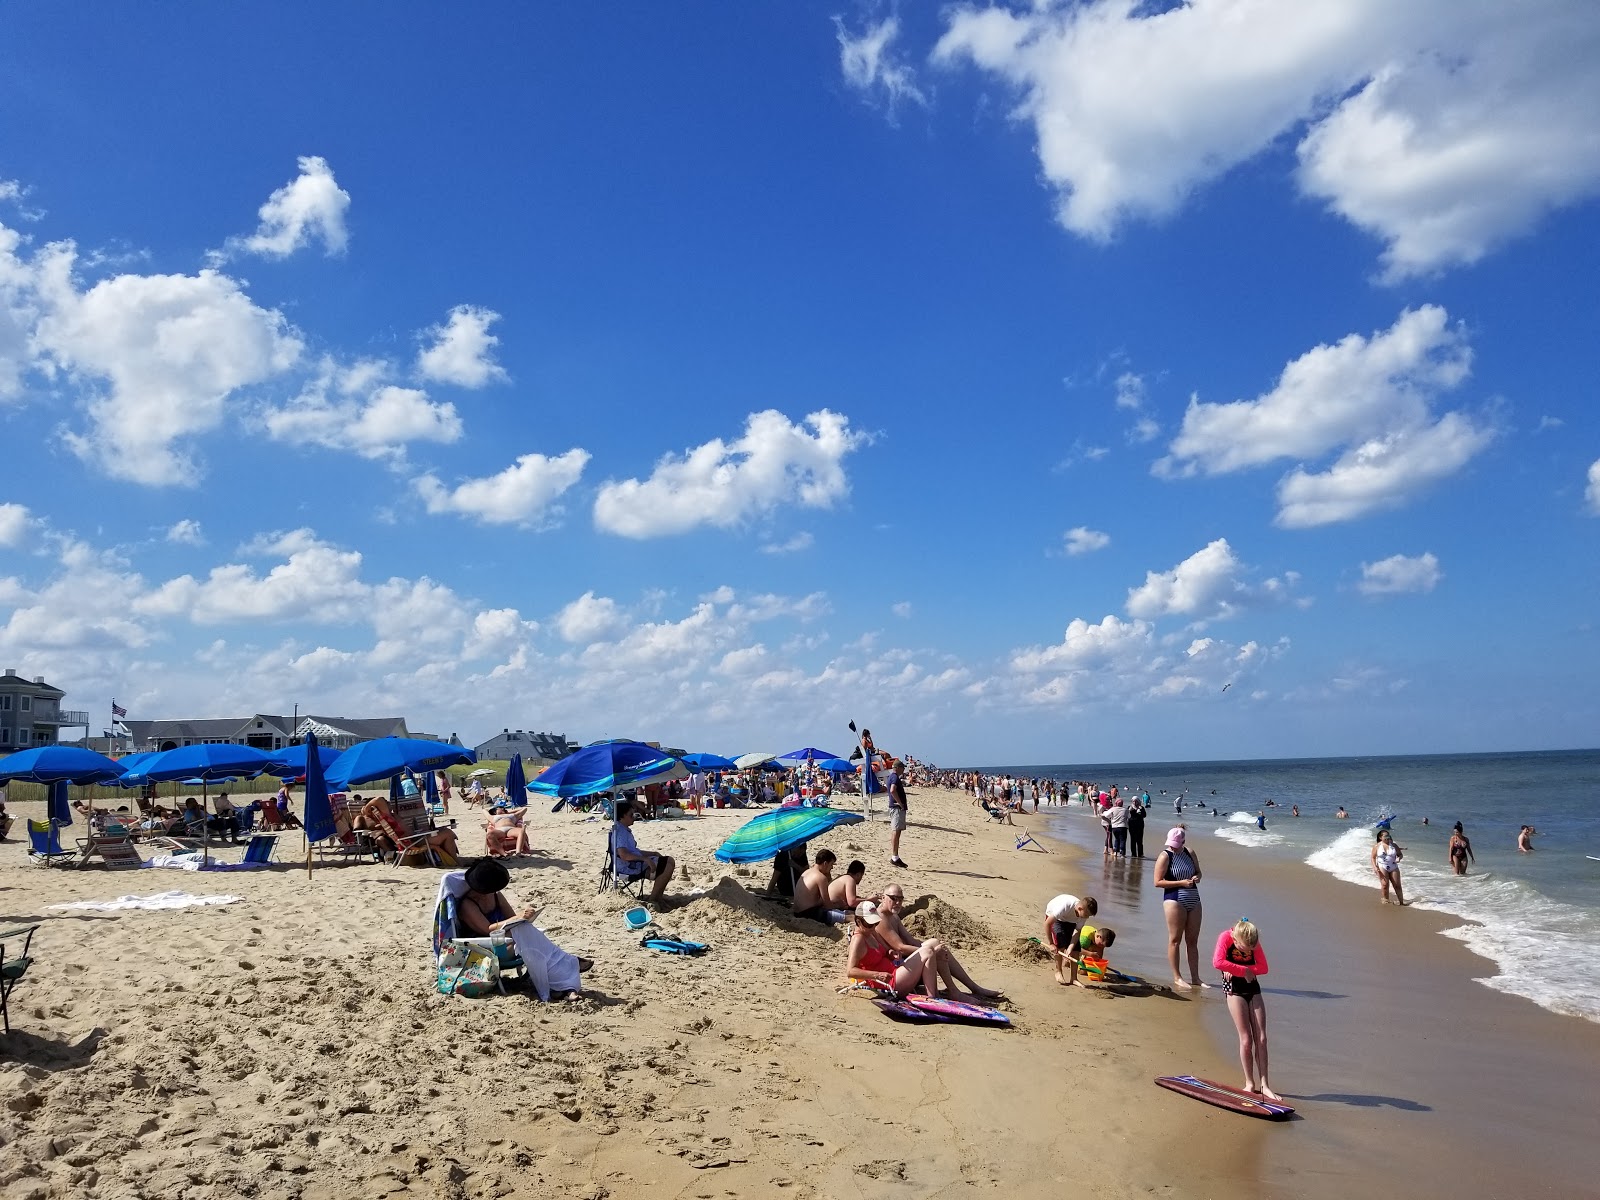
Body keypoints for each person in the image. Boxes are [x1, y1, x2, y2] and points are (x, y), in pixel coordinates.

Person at [455, 857, 590, 1001]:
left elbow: (513, 919)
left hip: (506, 940)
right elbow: (486, 929)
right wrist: (519, 917)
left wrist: (523, 917)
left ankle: (564, 986)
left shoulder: (495, 896)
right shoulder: (467, 905)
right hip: (484, 947)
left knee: (526, 932)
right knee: (531, 941)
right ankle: (567, 970)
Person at [876, 885, 1003, 1000]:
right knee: (934, 948)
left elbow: (911, 941)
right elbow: (901, 948)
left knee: (936, 944)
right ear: (883, 898)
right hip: (894, 969)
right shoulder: (881, 919)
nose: (898, 903)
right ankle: (955, 991)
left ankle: (970, 988)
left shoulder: (893, 916)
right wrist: (931, 951)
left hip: (901, 964)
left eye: (901, 899)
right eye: (893, 898)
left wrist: (934, 947)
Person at [1214, 919, 1277, 1099]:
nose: (1250, 950)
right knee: (1246, 1039)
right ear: (1236, 940)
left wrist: (1240, 969)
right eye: (1246, 948)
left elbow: (1263, 968)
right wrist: (1243, 970)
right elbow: (1218, 962)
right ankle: (1250, 1083)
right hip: (1234, 989)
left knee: (1262, 1038)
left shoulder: (1252, 940)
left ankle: (1265, 1085)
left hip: (1252, 987)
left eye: (1252, 947)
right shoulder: (1226, 937)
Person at [844, 901, 945, 998]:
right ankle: (932, 998)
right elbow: (850, 971)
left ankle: (940, 993)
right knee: (928, 951)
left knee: (932, 944)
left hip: (895, 972)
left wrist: (890, 953)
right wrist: (877, 975)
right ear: (858, 922)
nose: (873, 927)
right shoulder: (858, 940)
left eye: (876, 923)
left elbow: (886, 950)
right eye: (870, 924)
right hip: (889, 982)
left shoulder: (871, 932)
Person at [1154, 827, 1208, 991]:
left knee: (1192, 941)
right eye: (1172, 844)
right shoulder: (1165, 856)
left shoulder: (1190, 853)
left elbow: (1198, 872)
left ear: (1183, 842)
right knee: (1175, 939)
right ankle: (1177, 977)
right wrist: (1181, 883)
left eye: (1177, 844)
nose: (1174, 847)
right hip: (1174, 899)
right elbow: (1157, 882)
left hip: (1194, 898)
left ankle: (1196, 978)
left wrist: (1197, 877)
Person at [610, 800, 675, 903]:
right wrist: (646, 859)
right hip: (628, 867)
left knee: (668, 861)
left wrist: (652, 853)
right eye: (631, 815)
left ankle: (657, 897)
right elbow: (624, 855)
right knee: (667, 864)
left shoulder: (622, 829)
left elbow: (633, 851)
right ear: (622, 816)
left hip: (632, 863)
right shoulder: (620, 832)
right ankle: (654, 899)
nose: (634, 817)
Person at [1043, 893, 1099, 986]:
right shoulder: (1064, 906)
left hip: (1070, 920)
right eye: (1086, 915)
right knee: (1059, 944)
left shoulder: (1083, 914)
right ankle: (1058, 971)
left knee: (1076, 948)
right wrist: (1051, 943)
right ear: (1080, 908)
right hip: (1056, 918)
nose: (1087, 917)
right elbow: (1047, 924)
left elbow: (1077, 932)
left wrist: (1070, 947)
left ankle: (1074, 978)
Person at [792, 848, 850, 925]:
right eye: (831, 864)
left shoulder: (806, 872)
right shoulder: (821, 877)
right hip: (809, 914)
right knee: (848, 916)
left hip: (796, 912)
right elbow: (828, 906)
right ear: (825, 863)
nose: (831, 868)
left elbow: (813, 900)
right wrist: (839, 905)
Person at [885, 758, 910, 868]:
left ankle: (895, 856)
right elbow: (892, 790)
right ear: (898, 768)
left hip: (895, 808)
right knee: (896, 831)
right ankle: (894, 856)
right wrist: (899, 803)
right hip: (896, 809)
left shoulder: (892, 777)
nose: (903, 770)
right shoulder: (894, 777)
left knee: (896, 831)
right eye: (903, 768)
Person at [1371, 829, 1406, 905]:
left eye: (1388, 835)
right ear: (1380, 837)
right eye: (1385, 836)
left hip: (1393, 866)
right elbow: (1373, 857)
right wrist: (1375, 868)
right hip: (1382, 866)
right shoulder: (1377, 846)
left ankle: (1401, 902)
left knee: (1397, 885)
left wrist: (1398, 858)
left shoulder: (1393, 845)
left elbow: (1400, 854)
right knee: (1385, 884)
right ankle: (1386, 900)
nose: (1387, 837)